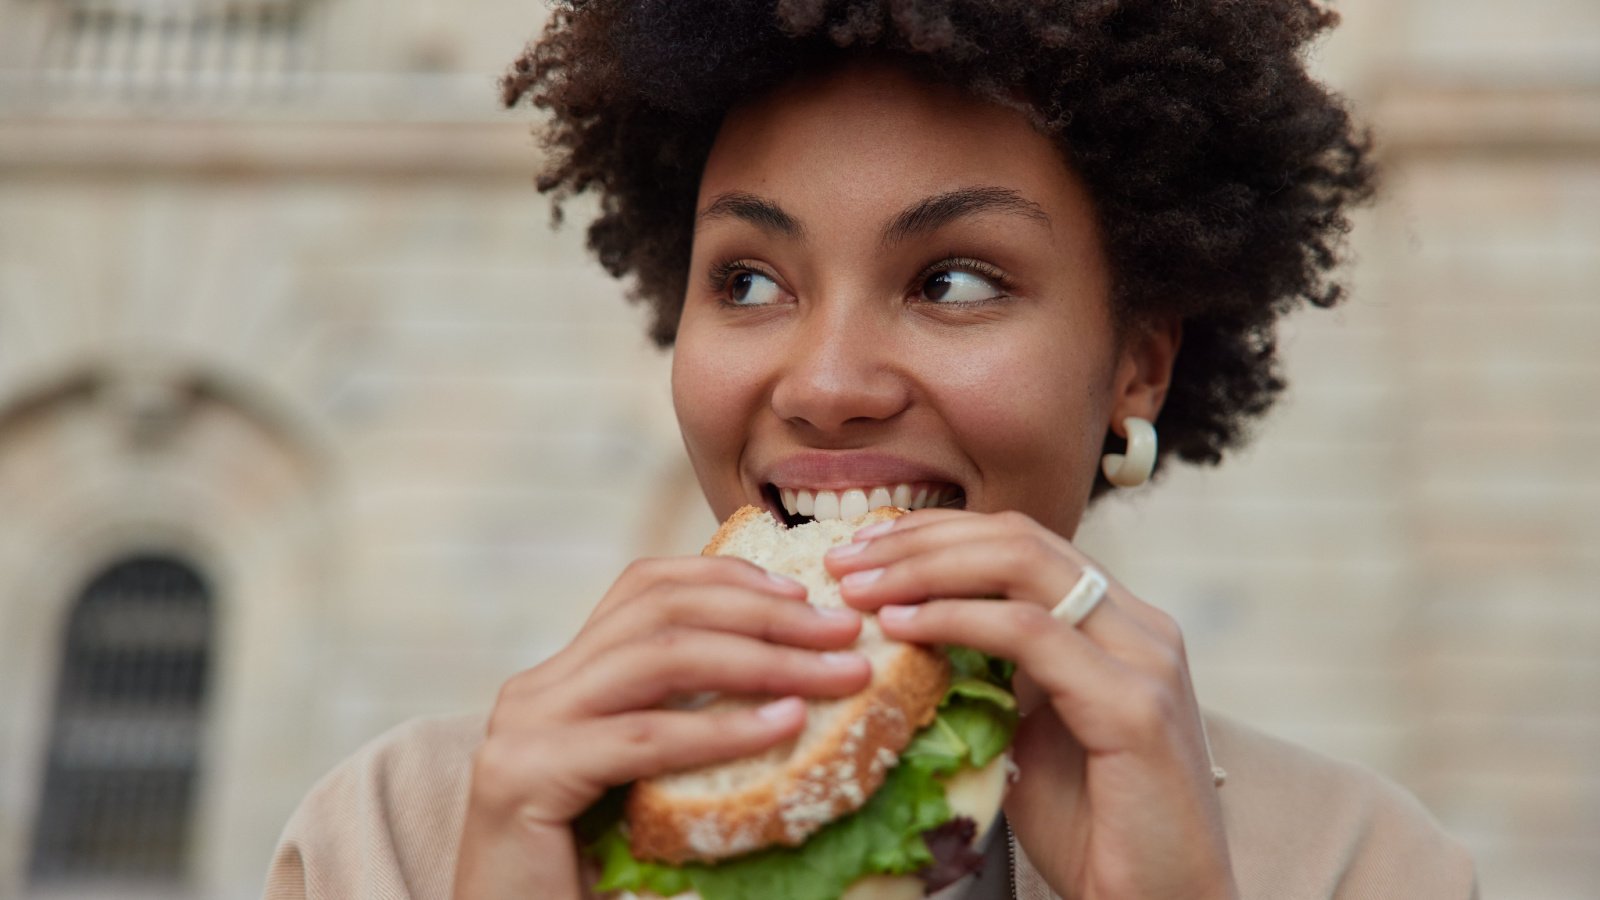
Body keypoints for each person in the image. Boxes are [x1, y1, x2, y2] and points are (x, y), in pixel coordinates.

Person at [265, 2, 1479, 898]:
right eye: (747, 280)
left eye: (952, 280)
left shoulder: (1359, 866)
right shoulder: (395, 842)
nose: (828, 385)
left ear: (1138, 365)